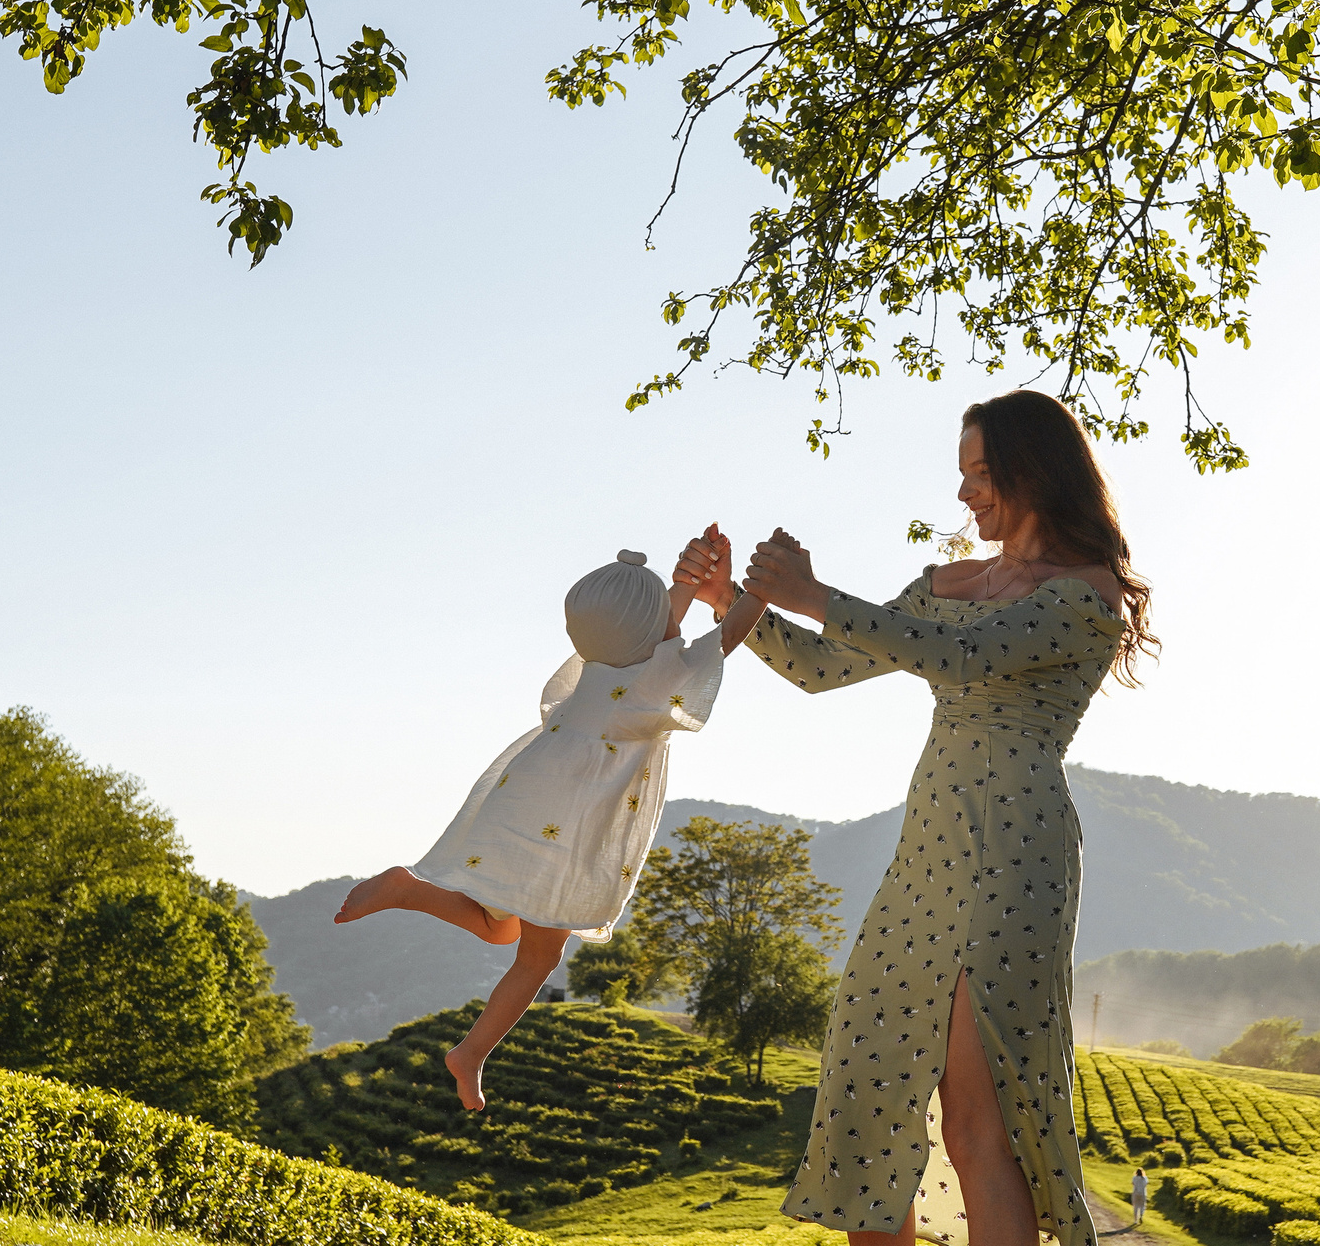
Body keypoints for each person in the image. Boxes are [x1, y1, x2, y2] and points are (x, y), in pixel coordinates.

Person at [679, 390, 1156, 1246]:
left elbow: (960, 657)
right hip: (926, 857)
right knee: (864, 1101)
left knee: (979, 1125)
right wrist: (732, 602)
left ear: (1033, 470)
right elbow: (824, 668)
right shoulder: (946, 583)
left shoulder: (1088, 598)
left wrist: (815, 588)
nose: (967, 494)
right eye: (963, 475)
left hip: (1017, 857)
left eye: (982, 474)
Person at [333, 533, 764, 1109]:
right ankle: (471, 1053)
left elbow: (656, 626)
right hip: (567, 820)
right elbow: (730, 631)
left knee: (502, 928)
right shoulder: (652, 680)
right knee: (538, 956)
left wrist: (688, 580)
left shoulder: (601, 663)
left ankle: (410, 890)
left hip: (532, 797)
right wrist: (762, 588)